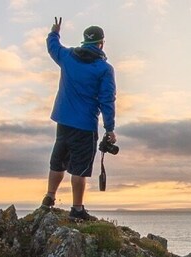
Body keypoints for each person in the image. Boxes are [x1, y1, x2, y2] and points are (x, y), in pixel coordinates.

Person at [43, 17, 116, 221]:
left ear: (84, 41)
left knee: (58, 161)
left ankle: (49, 197)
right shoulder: (104, 69)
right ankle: (77, 209)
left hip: (63, 120)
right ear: (101, 43)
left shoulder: (67, 57)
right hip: (85, 125)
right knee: (80, 169)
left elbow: (53, 47)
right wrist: (109, 128)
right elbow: (107, 99)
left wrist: (54, 32)